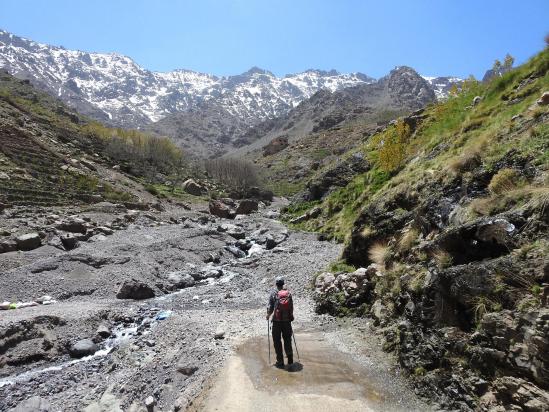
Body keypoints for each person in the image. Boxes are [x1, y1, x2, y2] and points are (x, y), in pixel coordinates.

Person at [266, 276, 294, 368]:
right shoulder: (288, 294)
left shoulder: (274, 293)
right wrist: (290, 316)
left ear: (276, 284)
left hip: (276, 321)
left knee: (277, 341)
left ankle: (280, 361)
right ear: (283, 284)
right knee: (287, 339)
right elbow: (291, 307)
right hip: (287, 321)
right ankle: (290, 360)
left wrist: (268, 315)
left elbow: (270, 307)